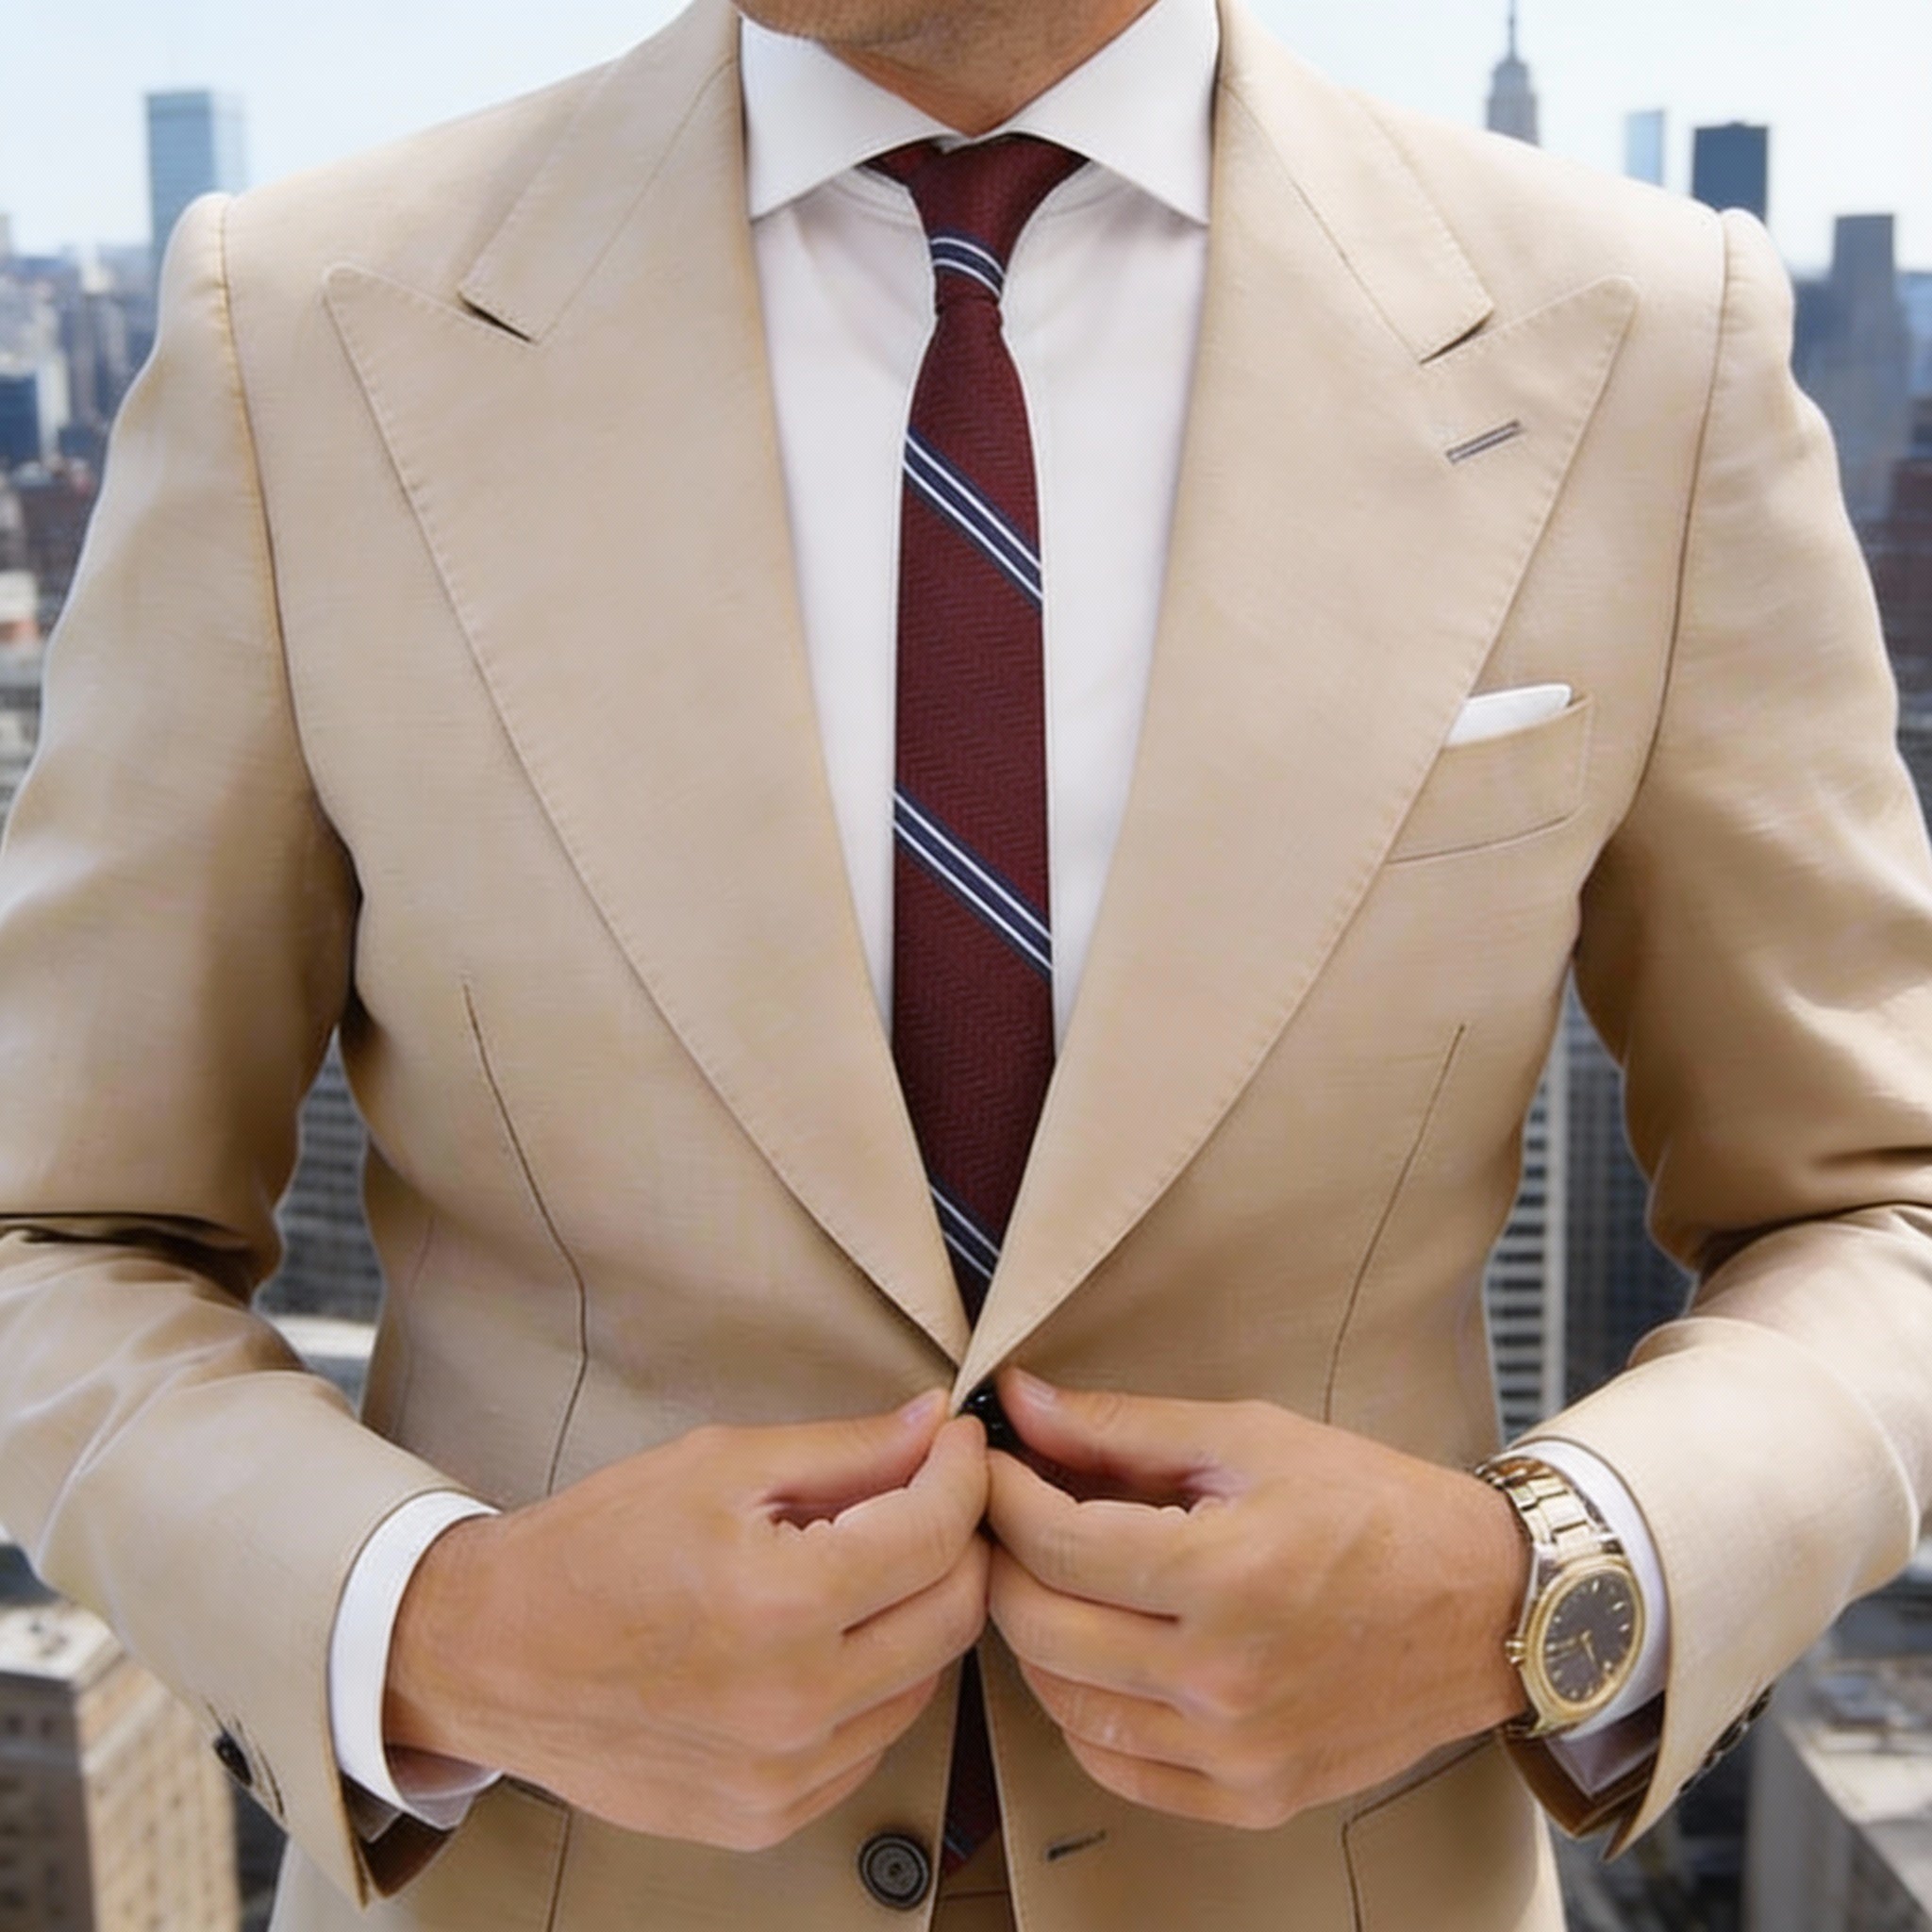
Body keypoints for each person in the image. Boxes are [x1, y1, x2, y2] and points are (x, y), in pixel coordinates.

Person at [1, 0, 1928, 1925]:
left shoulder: (1643, 338)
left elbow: (1880, 1207)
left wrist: (1537, 1591)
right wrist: (438, 1629)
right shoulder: (302, 329)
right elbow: (53, 1235)